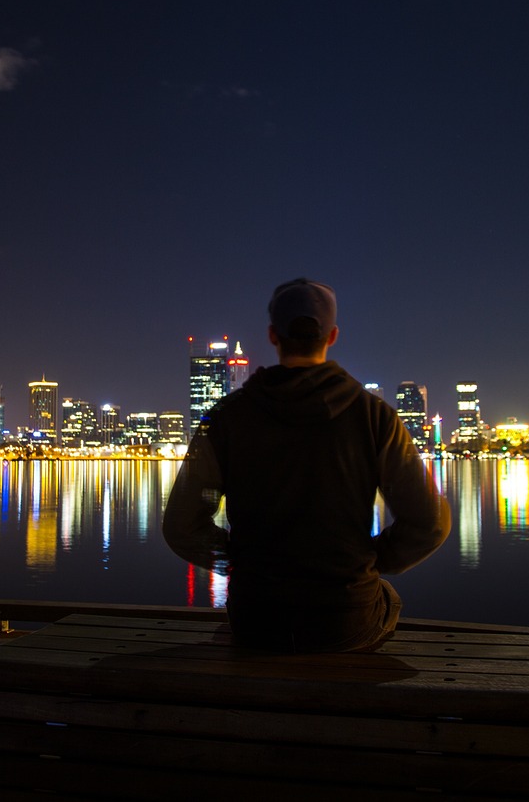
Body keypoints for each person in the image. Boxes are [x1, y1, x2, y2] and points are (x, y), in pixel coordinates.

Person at [163, 278, 451, 653]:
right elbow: (431, 523)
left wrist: (243, 563)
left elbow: (181, 527)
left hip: (257, 619)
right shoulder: (374, 417)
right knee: (387, 599)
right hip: (346, 620)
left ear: (272, 335)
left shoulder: (225, 419)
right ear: (332, 335)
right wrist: (366, 561)